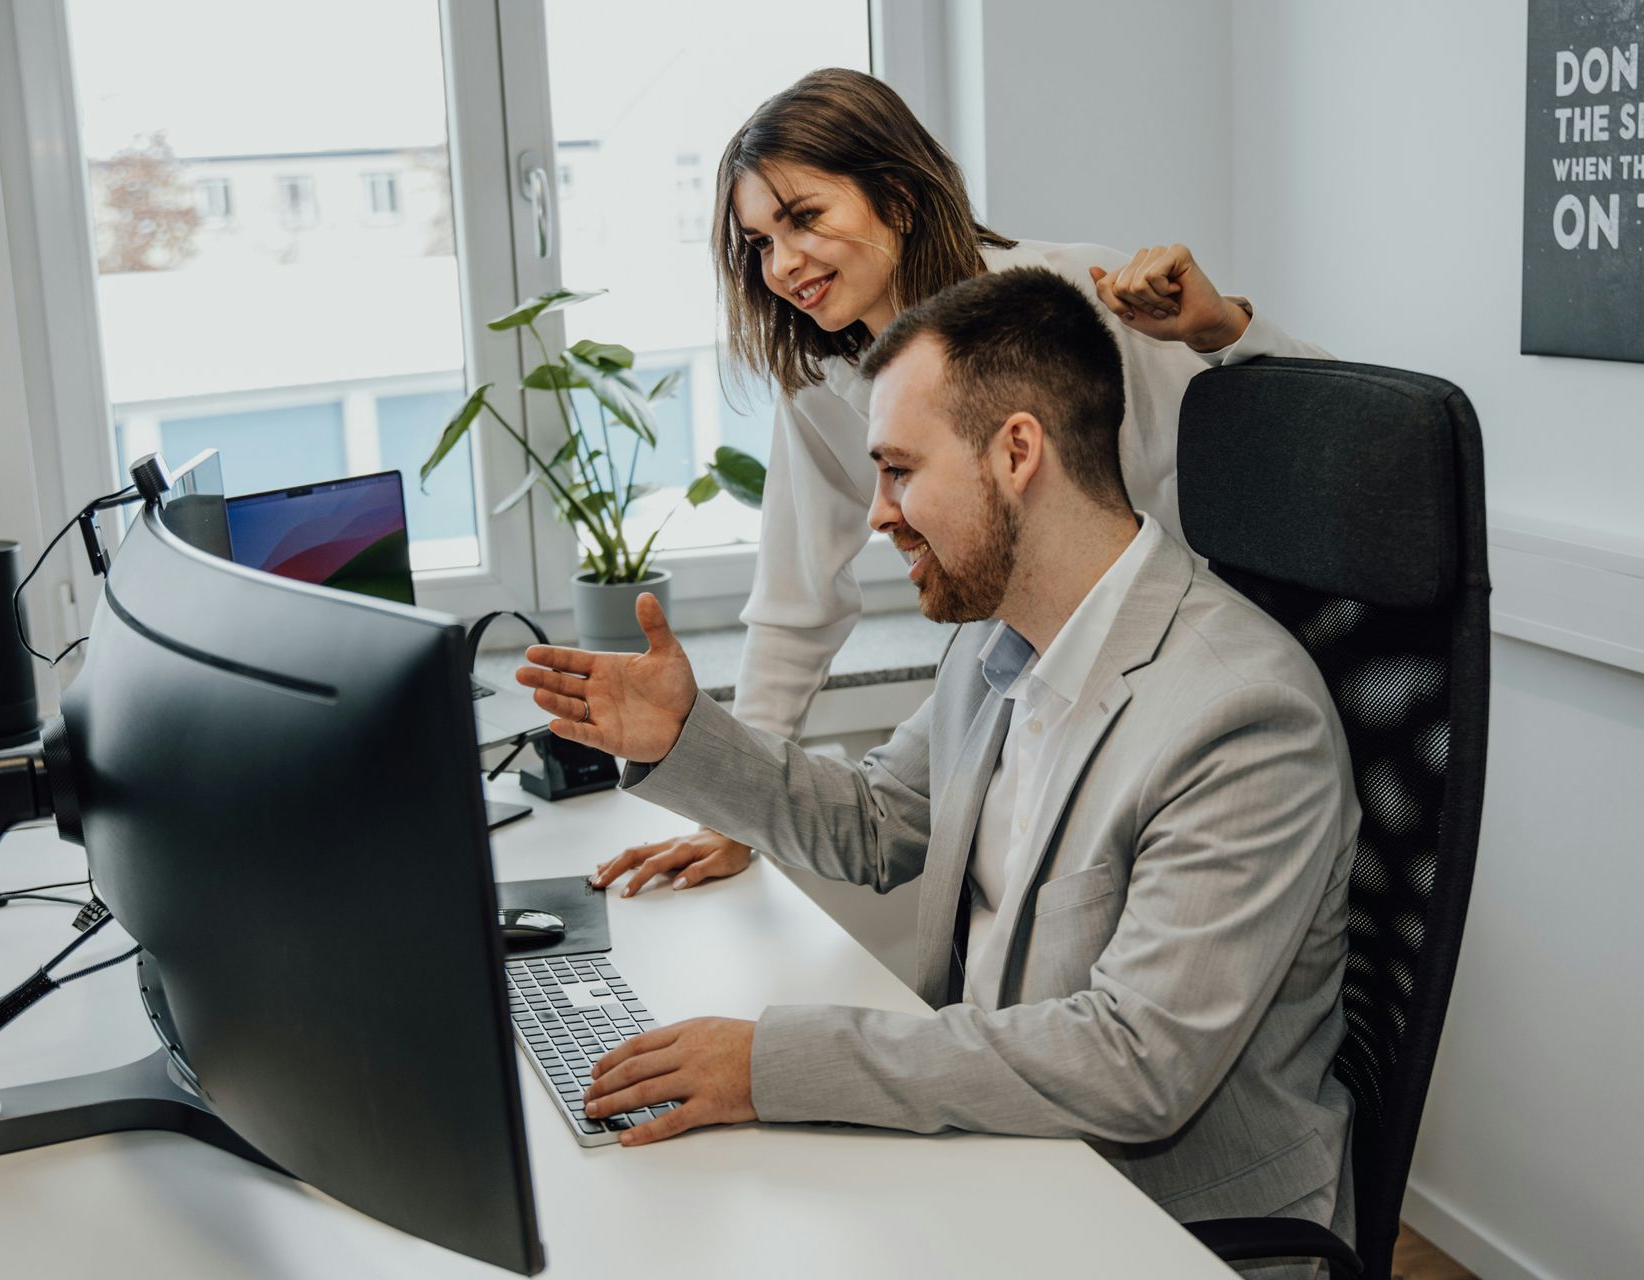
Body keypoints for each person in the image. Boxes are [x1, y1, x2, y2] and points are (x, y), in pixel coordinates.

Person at [516, 268, 1359, 1259]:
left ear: (1016, 452)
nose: (877, 512)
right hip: (1004, 1154)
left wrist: (768, 1063)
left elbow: (1136, 1062)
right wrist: (682, 737)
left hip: (1160, 1225)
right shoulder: (999, 641)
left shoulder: (1241, 716)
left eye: (900, 469)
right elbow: (877, 822)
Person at [593, 67, 1333, 897]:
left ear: (899, 200)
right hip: (1022, 661)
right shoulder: (823, 380)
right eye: (761, 241)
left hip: (1175, 681)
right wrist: (730, 815)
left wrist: (1216, 329)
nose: (784, 262)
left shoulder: (1070, 300)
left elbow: (1324, 451)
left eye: (804, 218)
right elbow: (798, 598)